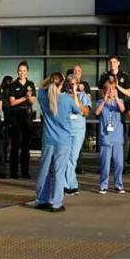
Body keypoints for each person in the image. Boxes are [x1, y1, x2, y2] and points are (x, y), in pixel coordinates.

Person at [35, 72, 80, 212]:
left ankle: (42, 199)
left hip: (49, 140)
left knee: (44, 170)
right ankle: (56, 203)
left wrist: (50, 80)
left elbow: (41, 87)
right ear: (62, 84)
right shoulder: (67, 99)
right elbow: (78, 110)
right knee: (59, 172)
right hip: (63, 141)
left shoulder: (43, 96)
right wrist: (73, 90)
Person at [62, 66, 92, 195]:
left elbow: (85, 112)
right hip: (65, 129)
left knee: (73, 157)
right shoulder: (63, 96)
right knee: (66, 157)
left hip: (78, 130)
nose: (71, 86)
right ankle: (70, 185)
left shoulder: (83, 96)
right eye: (69, 84)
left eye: (74, 84)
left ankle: (69, 184)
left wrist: (76, 96)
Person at [6, 62, 37, 179]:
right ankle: (13, 172)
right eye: (20, 70)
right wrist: (24, 97)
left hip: (27, 115)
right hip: (16, 115)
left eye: (24, 70)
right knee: (15, 145)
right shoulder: (13, 85)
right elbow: (12, 102)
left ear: (27, 72)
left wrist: (29, 97)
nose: (22, 73)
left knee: (26, 145)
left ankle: (25, 171)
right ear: (17, 71)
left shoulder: (31, 84)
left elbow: (33, 101)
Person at [95, 81, 126, 194]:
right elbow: (97, 112)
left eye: (113, 89)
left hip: (117, 137)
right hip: (105, 137)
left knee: (119, 164)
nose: (111, 91)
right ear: (104, 90)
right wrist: (105, 99)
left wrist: (116, 98)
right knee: (105, 164)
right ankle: (104, 185)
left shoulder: (119, 101)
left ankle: (118, 184)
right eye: (108, 89)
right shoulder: (100, 101)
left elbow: (122, 110)